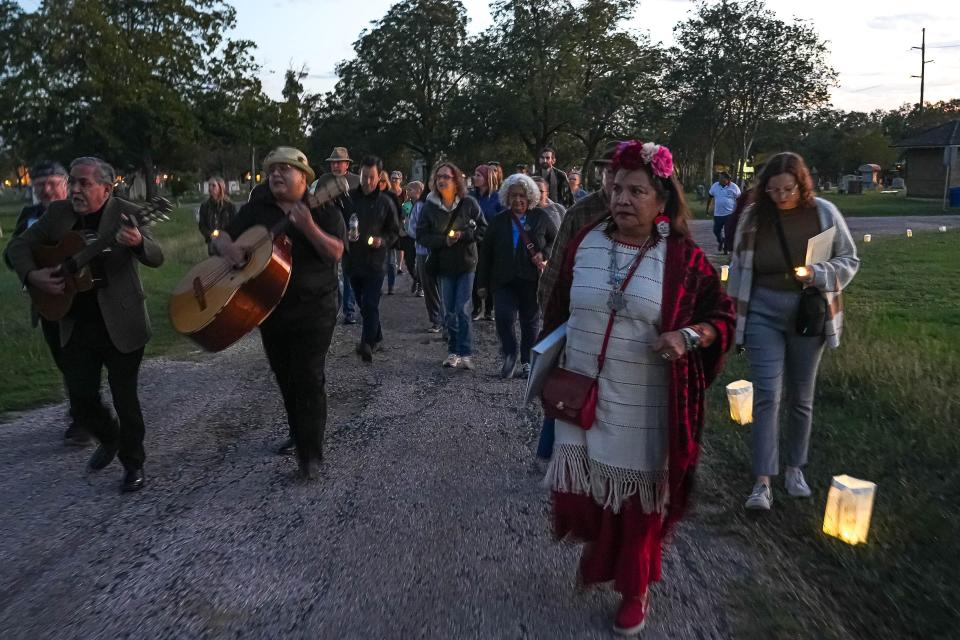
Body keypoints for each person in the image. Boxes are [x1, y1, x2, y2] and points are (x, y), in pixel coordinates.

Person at [540, 140, 735, 635]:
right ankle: (608, 562)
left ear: (662, 200)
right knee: (591, 494)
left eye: (636, 191)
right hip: (583, 393)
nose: (622, 199)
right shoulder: (586, 239)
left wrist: (689, 336)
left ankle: (635, 586)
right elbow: (559, 307)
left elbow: (722, 316)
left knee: (637, 501)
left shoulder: (684, 259)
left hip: (644, 403)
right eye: (617, 188)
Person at [6, 156, 165, 492]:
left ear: (106, 189)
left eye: (84, 183)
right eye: (73, 181)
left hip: (123, 322)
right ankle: (109, 437)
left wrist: (138, 243)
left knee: (126, 399)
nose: (75, 189)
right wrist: (33, 275)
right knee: (80, 399)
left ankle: (133, 463)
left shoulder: (126, 212)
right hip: (76, 322)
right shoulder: (58, 214)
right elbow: (19, 246)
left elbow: (156, 255)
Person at [727, 152, 859, 511]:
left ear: (802, 185)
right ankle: (762, 481)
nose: (781, 196)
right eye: (773, 190)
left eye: (788, 189)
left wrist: (817, 274)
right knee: (767, 396)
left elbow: (850, 259)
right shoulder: (754, 217)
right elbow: (739, 266)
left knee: (801, 396)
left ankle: (794, 468)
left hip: (807, 313)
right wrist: (733, 319)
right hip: (762, 313)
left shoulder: (824, 213)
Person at [214, 147, 345, 479]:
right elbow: (223, 236)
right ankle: (298, 432)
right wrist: (227, 248)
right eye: (272, 169)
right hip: (269, 308)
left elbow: (336, 252)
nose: (275, 174)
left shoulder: (325, 206)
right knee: (286, 377)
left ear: (304, 178)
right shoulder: (258, 207)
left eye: (285, 169)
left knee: (308, 376)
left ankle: (311, 455)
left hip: (315, 307)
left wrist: (310, 227)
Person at [534, 141, 621, 465]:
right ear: (601, 173)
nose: (615, 179)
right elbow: (555, 268)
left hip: (623, 318)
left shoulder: (649, 211)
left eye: (622, 172)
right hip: (581, 313)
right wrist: (552, 316)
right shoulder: (581, 212)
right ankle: (552, 451)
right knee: (569, 383)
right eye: (610, 171)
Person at [4, 161, 93, 446]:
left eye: (52, 182)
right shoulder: (29, 216)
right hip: (47, 300)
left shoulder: (79, 212)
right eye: (39, 184)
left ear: (65, 184)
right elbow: (11, 255)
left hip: (80, 297)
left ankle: (85, 418)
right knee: (63, 358)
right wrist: (32, 274)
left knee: (80, 357)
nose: (45, 188)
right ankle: (81, 410)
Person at [477, 173, 556, 379]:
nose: (517, 200)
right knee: (503, 317)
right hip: (502, 279)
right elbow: (485, 254)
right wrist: (482, 283)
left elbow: (555, 241)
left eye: (522, 195)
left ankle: (527, 361)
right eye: (513, 196)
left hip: (530, 279)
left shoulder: (541, 217)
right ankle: (509, 353)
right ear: (507, 197)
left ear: (530, 196)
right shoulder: (498, 221)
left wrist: (543, 253)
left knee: (530, 323)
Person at [416, 162, 487, 369]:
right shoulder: (430, 206)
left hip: (466, 263)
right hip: (444, 266)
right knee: (449, 311)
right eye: (438, 176)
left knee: (462, 308)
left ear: (455, 179)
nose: (441, 180)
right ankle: (453, 351)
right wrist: (443, 241)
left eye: (446, 176)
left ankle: (465, 352)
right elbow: (421, 235)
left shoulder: (469, 203)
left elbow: (483, 230)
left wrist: (464, 236)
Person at [342, 156, 400, 362]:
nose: (367, 181)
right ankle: (376, 333)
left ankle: (368, 343)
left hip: (375, 262)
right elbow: (337, 222)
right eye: (364, 176)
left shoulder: (385, 201)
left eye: (372, 177)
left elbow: (394, 231)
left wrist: (382, 241)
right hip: (352, 261)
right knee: (361, 302)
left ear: (379, 177)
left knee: (370, 303)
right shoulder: (348, 198)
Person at [325, 146, 360, 323]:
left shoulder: (356, 182)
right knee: (329, 273)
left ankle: (349, 310)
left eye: (339, 162)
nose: (335, 166)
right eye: (333, 163)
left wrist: (357, 228)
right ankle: (333, 307)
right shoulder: (324, 181)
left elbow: (361, 208)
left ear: (347, 164)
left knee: (348, 273)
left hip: (350, 232)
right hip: (328, 233)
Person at [407, 182, 444, 332]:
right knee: (429, 286)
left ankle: (445, 319)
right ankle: (436, 319)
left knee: (442, 286)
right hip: (424, 250)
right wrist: (425, 238)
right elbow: (412, 228)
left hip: (442, 250)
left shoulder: (446, 203)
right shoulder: (420, 205)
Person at [470, 164, 503, 321]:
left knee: (490, 275)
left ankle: (489, 309)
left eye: (478, 175)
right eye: (475, 174)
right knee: (474, 274)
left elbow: (502, 220)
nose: (475, 177)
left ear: (486, 178)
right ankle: (476, 308)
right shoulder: (470, 197)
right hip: (473, 241)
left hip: (491, 242)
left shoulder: (497, 198)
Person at [377, 169, 403, 295]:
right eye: (378, 180)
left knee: (391, 262)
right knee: (378, 262)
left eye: (383, 180)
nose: (380, 183)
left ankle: (391, 286)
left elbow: (398, 214)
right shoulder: (372, 195)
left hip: (389, 233)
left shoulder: (391, 196)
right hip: (375, 233)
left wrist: (394, 230)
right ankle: (379, 286)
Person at [197, 176, 237, 255]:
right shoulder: (205, 206)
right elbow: (202, 225)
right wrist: (210, 236)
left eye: (213, 185)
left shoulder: (230, 206)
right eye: (209, 185)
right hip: (212, 243)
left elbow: (235, 224)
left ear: (220, 187)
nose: (210, 188)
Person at [707, 171, 741, 254]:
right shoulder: (715, 186)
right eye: (719, 177)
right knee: (716, 231)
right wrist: (707, 209)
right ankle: (721, 241)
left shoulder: (734, 187)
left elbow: (739, 200)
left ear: (727, 179)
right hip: (717, 214)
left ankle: (726, 250)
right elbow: (710, 196)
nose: (720, 179)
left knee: (727, 232)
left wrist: (738, 212)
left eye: (722, 178)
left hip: (729, 214)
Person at [399, 181, 420, 295]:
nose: (407, 192)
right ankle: (416, 278)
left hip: (420, 237)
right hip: (408, 236)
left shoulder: (424, 204)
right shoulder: (405, 204)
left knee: (421, 261)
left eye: (410, 189)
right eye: (406, 190)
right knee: (409, 261)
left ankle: (420, 285)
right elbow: (402, 217)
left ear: (418, 191)